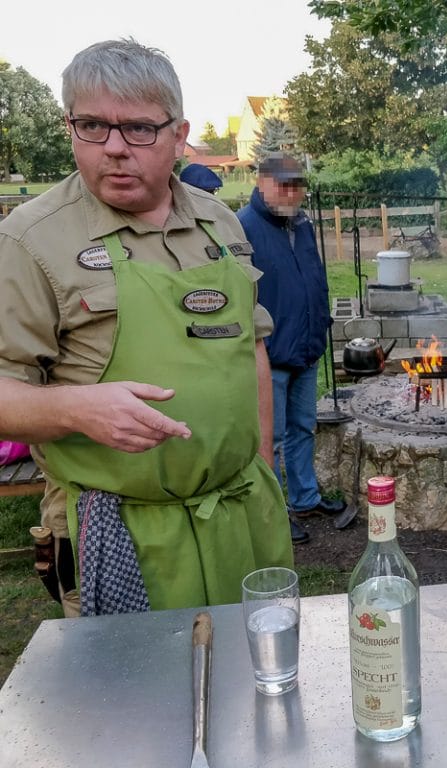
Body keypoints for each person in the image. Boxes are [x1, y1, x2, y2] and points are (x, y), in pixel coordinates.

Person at [0, 39, 293, 615]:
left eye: (138, 129)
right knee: (137, 700)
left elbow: (250, 348)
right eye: (92, 126)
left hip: (239, 511)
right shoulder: (31, 240)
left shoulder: (219, 222)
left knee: (253, 682)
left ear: (179, 136)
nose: (113, 149)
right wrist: (79, 410)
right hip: (119, 531)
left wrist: (262, 464)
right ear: (70, 127)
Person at [237, 152, 353, 545]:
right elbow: (238, 297)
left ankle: (305, 498)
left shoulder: (301, 225)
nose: (290, 192)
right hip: (269, 353)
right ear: (261, 182)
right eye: (282, 184)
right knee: (270, 438)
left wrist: (319, 322)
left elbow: (313, 277)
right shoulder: (243, 227)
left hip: (305, 347)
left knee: (304, 427)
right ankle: (272, 512)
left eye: (296, 185)